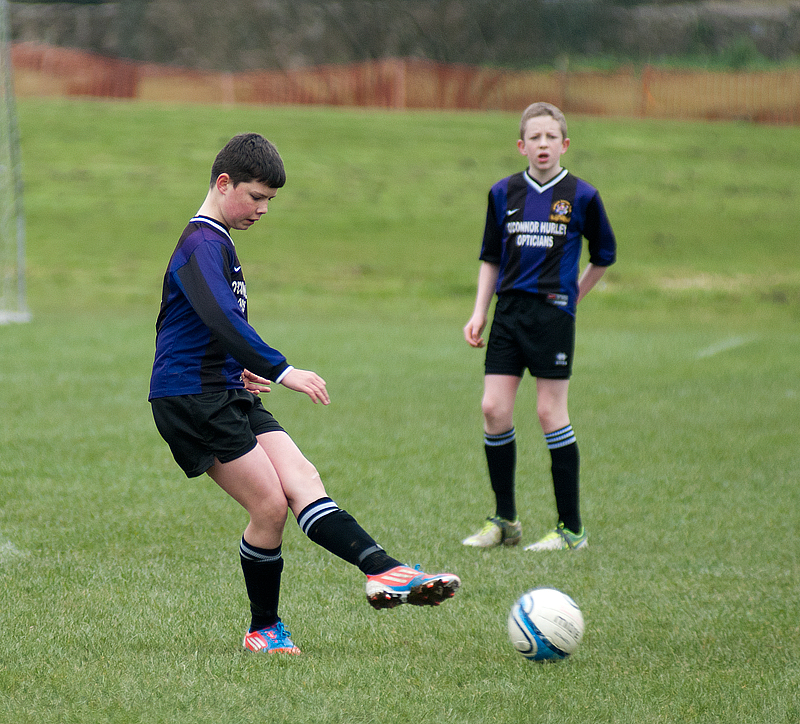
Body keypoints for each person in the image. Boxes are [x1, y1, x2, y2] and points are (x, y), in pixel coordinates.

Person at [149, 133, 460, 655]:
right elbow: (218, 318)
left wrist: (236, 370)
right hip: (190, 398)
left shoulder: (218, 242)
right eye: (256, 196)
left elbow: (195, 327)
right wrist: (279, 367)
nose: (264, 209)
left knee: (302, 479)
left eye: (271, 199)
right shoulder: (201, 241)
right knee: (270, 505)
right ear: (223, 184)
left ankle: (384, 571)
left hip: (221, 388)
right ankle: (264, 629)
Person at [461, 103, 616, 552]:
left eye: (552, 137)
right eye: (535, 137)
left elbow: (604, 255)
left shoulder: (583, 196)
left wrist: (573, 298)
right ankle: (506, 521)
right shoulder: (502, 192)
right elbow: (491, 256)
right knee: (493, 409)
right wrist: (479, 311)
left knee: (550, 413)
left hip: (552, 317)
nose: (543, 145)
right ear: (521, 145)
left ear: (564, 144)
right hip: (508, 314)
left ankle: (571, 529)